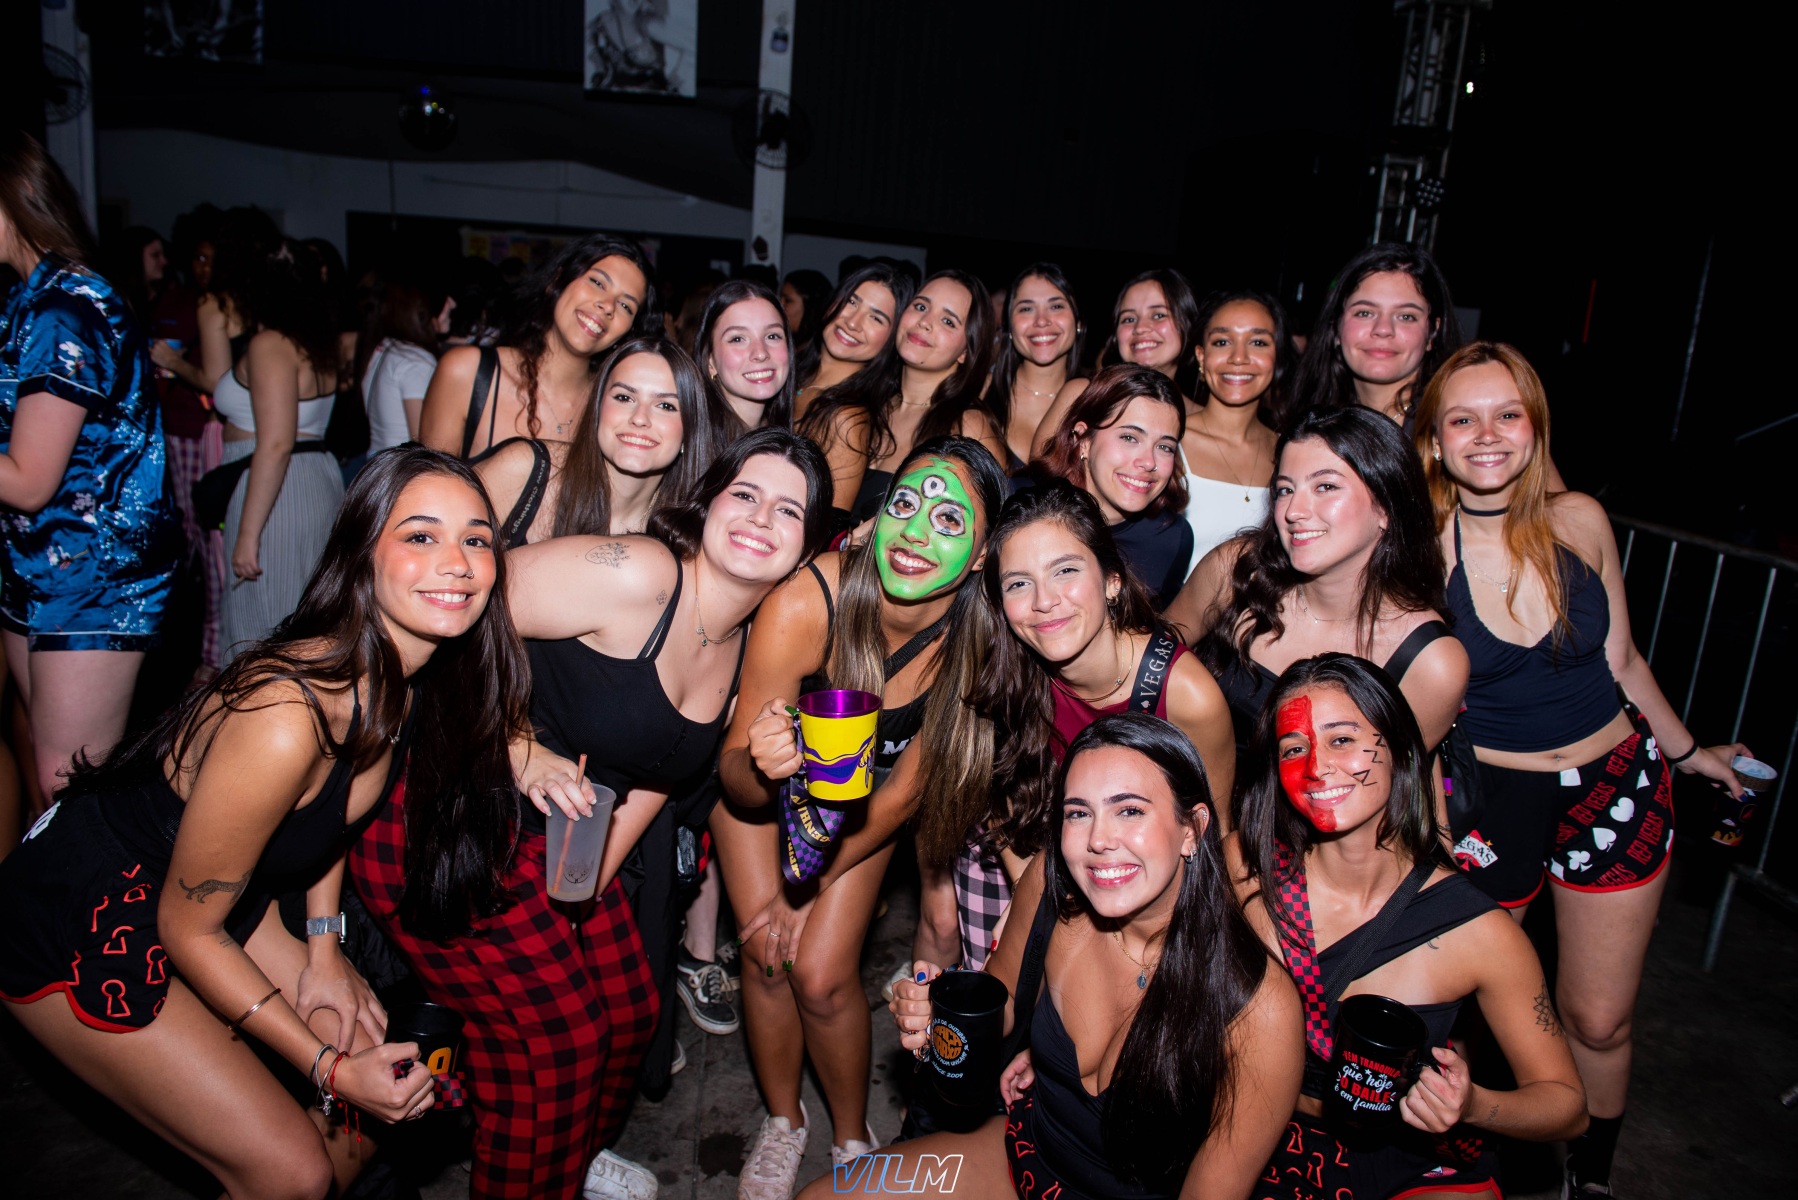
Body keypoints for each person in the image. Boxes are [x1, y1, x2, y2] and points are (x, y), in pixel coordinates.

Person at [0, 446, 523, 1200]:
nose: (458, 563)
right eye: (420, 535)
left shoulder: (405, 674)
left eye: (477, 539)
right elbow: (188, 928)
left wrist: (323, 949)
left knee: (378, 1059)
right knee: (292, 1169)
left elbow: (332, 821)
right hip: (92, 908)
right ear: (362, 552)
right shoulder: (286, 712)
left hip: (214, 890)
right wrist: (327, 1069)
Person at [349, 428, 833, 1200]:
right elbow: (461, 604)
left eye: (788, 510)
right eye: (744, 494)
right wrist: (516, 742)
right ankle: (528, 1161)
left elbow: (659, 777)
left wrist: (584, 887)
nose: (759, 518)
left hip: (557, 844)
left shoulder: (745, 650)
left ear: (806, 547)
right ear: (708, 503)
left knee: (631, 1012)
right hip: (446, 813)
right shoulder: (638, 573)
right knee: (557, 1046)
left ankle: (564, 1153)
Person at [1414, 341, 1748, 1198]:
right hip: (1493, 800)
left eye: (1507, 415)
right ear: (1436, 440)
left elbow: (1623, 661)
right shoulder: (1418, 549)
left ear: (1535, 425)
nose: (1488, 435)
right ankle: (1455, 1162)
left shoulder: (1582, 520)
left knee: (1598, 1021)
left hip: (1617, 785)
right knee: (1463, 1010)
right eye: (1463, 419)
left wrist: (1690, 753)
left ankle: (1588, 1179)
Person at [839, 713, 1301, 1200]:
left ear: (1193, 828)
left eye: (1129, 810)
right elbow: (1004, 1001)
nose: (1098, 840)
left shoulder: (1258, 1009)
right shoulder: (1052, 889)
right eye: (1078, 813)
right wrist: (944, 1018)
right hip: (1026, 1151)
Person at [715, 437, 1005, 1199]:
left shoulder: (975, 641)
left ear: (981, 554)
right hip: (761, 799)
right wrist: (764, 766)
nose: (915, 533)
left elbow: (902, 796)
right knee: (766, 957)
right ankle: (784, 1122)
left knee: (821, 975)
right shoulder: (808, 600)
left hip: (858, 806)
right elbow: (736, 778)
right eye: (904, 504)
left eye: (949, 520)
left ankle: (852, 1137)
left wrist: (804, 887)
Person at [1235, 652, 1588, 1199]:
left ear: (1401, 750)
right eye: (1294, 748)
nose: (1316, 766)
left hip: (1407, 1159)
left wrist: (1472, 1104)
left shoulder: (1476, 930)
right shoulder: (1244, 870)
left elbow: (1566, 1107)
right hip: (1258, 1136)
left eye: (1342, 739)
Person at [963, 483, 1233, 969]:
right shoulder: (1008, 671)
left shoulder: (1185, 695)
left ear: (1111, 580)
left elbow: (1214, 842)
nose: (1044, 601)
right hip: (1033, 851)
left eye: (1065, 571)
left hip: (1153, 894)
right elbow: (1002, 790)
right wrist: (1031, 900)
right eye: (1019, 584)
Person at [0, 131, 180, 802]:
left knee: (69, 789)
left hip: (90, 574)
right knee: (51, 769)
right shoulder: (29, 297)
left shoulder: (66, 306)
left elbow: (29, 480)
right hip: (38, 562)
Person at [1169, 406, 1468, 787]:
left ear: (1385, 506)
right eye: (1285, 490)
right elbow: (1143, 668)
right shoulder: (1237, 573)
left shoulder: (1431, 662)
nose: (1294, 511)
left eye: (1325, 487)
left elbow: (1389, 795)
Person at [214, 239, 346, 661]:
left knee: (265, 624)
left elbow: (275, 443)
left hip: (278, 486)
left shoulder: (271, 343)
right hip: (315, 477)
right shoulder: (317, 342)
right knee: (303, 614)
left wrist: (248, 535)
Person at [419, 234, 656, 458]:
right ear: (557, 280)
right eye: (597, 282)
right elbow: (425, 484)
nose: (608, 306)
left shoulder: (616, 407)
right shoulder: (467, 372)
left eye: (626, 306)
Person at [801, 269, 1005, 526]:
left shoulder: (970, 426)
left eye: (948, 321)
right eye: (921, 306)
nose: (925, 322)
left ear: (967, 350)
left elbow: (992, 531)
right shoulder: (870, 404)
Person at [474, 335, 719, 547]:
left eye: (665, 406)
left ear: (690, 430)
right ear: (597, 408)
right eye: (624, 397)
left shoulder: (688, 538)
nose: (639, 418)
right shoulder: (525, 471)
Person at [1028, 363, 1193, 608]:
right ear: (1084, 440)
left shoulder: (1171, 538)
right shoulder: (1017, 507)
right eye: (1129, 437)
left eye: (1164, 447)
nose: (1149, 462)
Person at [1029, 268, 1201, 459]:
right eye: (1129, 319)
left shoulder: (1203, 421)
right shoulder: (1082, 395)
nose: (1140, 328)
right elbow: (1040, 470)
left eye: (1159, 315)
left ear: (1187, 323)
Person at [1289, 242, 1462, 430]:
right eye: (1364, 313)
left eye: (1406, 316)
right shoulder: (1308, 423)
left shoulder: (1450, 429)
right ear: (1336, 326)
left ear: (1432, 332)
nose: (1383, 329)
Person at [1179, 287, 1293, 573]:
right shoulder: (1167, 442)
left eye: (1258, 342)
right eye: (1222, 342)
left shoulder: (1292, 453)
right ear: (1201, 356)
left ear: (1277, 357)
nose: (1238, 357)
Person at [986, 263, 1083, 470]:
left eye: (1056, 306)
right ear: (1009, 326)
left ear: (1078, 322)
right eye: (1026, 309)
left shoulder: (1098, 400)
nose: (1041, 321)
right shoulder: (979, 392)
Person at [793, 263, 913, 419]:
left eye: (875, 318)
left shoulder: (846, 417)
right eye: (851, 302)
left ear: (892, 337)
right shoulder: (790, 372)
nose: (852, 323)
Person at [357, 266, 452, 455]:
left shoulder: (385, 348)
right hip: (400, 466)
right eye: (441, 301)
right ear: (422, 311)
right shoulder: (415, 361)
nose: (451, 304)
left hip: (379, 461)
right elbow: (424, 443)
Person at [691, 279, 795, 439]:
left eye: (772, 336)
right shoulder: (688, 440)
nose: (760, 353)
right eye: (738, 339)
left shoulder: (786, 439)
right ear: (710, 361)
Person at [780, 267, 834, 392]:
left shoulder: (818, 357)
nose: (780, 305)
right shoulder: (789, 346)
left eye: (787, 300)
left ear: (810, 306)